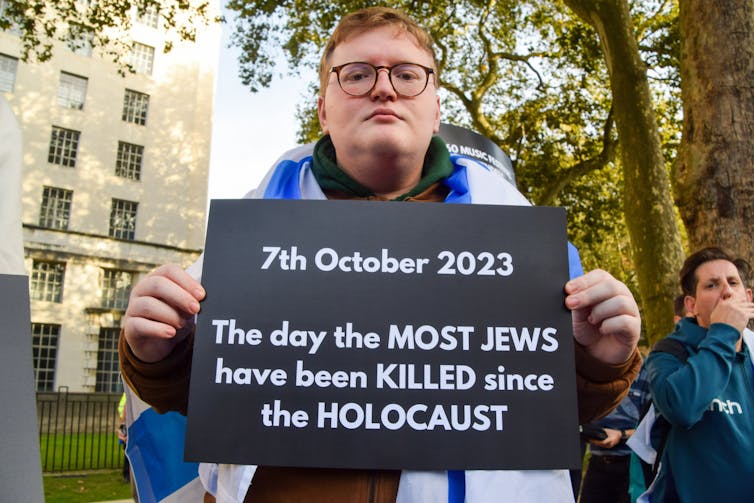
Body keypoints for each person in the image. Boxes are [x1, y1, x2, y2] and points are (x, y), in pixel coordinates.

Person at [119, 7, 642, 502]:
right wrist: (154, 354)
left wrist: (600, 361)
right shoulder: (250, 234)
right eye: (357, 74)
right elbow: (202, 399)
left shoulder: (522, 241)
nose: (385, 88)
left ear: (436, 108)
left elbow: (556, 410)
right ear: (324, 109)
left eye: (408, 74)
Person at [643, 247, 754, 501]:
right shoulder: (670, 352)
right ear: (691, 305)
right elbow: (681, 407)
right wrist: (724, 333)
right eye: (712, 285)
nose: (726, 291)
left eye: (733, 283)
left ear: (747, 298)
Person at [578, 364, 651, 503]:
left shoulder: (646, 372)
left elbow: (651, 428)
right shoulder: (594, 368)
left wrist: (621, 435)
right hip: (598, 461)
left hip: (631, 465)